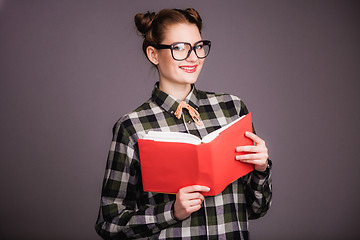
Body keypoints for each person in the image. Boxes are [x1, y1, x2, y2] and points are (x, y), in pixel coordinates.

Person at [95, 8, 272, 240]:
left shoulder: (232, 109)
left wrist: (261, 170)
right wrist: (172, 212)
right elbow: (110, 223)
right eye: (179, 48)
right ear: (153, 54)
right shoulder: (132, 127)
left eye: (198, 47)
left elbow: (256, 209)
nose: (193, 57)